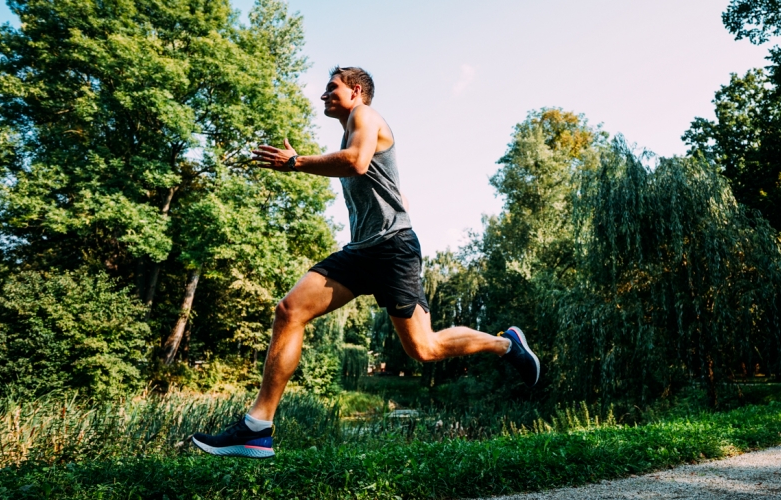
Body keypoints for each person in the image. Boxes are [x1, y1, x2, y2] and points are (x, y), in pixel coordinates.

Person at [191, 67, 539, 459]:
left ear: (355, 91)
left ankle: (505, 344)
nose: (324, 95)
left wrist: (296, 163)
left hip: (391, 250)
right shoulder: (353, 129)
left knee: (424, 349)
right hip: (363, 250)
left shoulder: (365, 117)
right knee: (289, 311)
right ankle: (257, 428)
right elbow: (388, 188)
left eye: (331, 88)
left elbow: (356, 162)